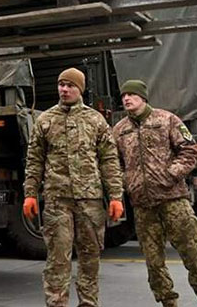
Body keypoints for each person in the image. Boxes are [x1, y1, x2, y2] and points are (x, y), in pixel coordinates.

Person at [23, 67, 124, 307]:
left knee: (90, 259)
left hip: (89, 201)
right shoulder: (45, 120)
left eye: (70, 85)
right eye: (62, 85)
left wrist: (116, 196)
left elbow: (109, 160)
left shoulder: (95, 120)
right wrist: (30, 193)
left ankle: (88, 303)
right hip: (58, 200)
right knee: (58, 260)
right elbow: (34, 160)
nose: (64, 89)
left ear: (80, 89)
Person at [112, 79, 197, 307]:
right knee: (153, 262)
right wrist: (126, 181)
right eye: (123, 96)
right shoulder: (120, 130)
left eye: (131, 95)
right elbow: (113, 163)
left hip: (173, 201)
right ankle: (168, 302)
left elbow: (189, 151)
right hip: (142, 205)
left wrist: (170, 174)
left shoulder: (166, 119)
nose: (126, 99)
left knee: (192, 254)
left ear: (143, 97)